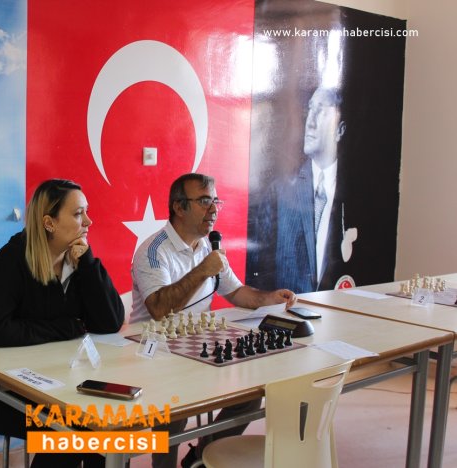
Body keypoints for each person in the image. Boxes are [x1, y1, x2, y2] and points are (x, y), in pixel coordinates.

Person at [131, 173, 296, 468]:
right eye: (204, 201)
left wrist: (270, 297)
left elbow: (237, 292)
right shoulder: (153, 251)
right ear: (179, 207)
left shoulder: (209, 247)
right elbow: (159, 309)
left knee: (249, 396)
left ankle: (200, 455)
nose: (213, 210)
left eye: (216, 201)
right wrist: (203, 270)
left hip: (196, 346)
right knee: (175, 411)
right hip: (155, 351)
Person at [0, 179, 125, 468]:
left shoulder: (77, 259)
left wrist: (88, 264)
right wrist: (67, 328)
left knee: (109, 428)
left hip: (58, 383)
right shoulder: (13, 258)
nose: (89, 221)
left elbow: (110, 321)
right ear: (49, 223)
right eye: (78, 214)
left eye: (86, 212)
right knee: (71, 433)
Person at [273, 86, 354, 292]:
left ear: (340, 130)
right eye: (310, 109)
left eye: (321, 111)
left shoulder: (357, 195)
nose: (310, 122)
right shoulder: (281, 191)